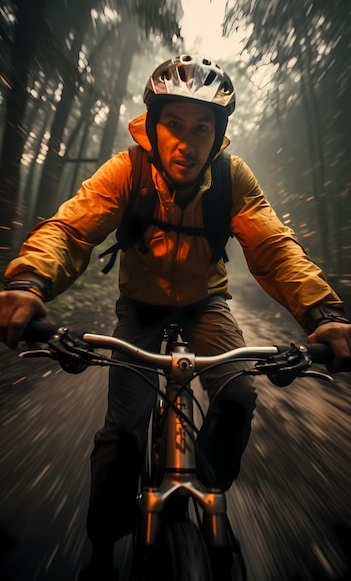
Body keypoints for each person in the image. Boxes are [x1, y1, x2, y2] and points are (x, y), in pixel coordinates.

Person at [0, 54, 350, 581]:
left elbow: (276, 249)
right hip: (139, 308)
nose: (187, 141)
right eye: (174, 125)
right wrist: (26, 284)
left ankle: (205, 484)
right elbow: (71, 230)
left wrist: (324, 315)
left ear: (218, 134)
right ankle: (101, 548)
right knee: (123, 437)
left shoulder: (233, 180)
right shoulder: (127, 171)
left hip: (205, 305)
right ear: (154, 127)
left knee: (237, 395)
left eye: (202, 127)